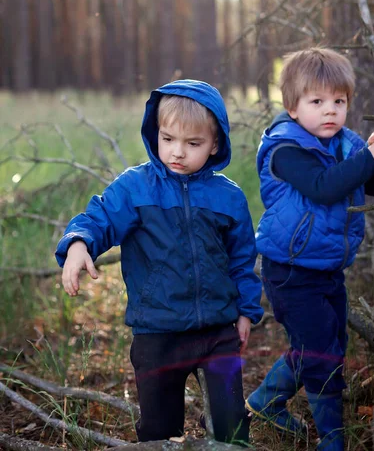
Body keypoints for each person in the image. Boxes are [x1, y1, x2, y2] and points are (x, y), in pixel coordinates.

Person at [56, 79, 263, 444]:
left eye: (193, 143)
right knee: (159, 429)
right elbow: (98, 218)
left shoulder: (228, 197)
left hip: (217, 331)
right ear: (156, 134)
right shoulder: (136, 188)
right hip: (157, 331)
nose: (177, 152)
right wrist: (77, 244)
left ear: (215, 145)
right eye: (168, 139)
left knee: (232, 425)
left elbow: (242, 259)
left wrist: (245, 311)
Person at [245, 48, 374, 450]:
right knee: (320, 351)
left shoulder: (343, 143)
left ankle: (266, 400)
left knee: (327, 346)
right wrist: (371, 154)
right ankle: (332, 438)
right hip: (290, 272)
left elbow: (364, 181)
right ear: (293, 107)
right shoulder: (285, 150)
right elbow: (324, 186)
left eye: (339, 101)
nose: (329, 110)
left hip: (327, 268)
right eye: (317, 102)